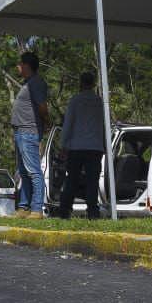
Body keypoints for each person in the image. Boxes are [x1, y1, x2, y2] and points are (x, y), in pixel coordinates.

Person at [56, 71, 107, 219]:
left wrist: (63, 145)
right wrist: (104, 144)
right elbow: (103, 125)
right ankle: (92, 211)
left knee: (72, 179)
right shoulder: (99, 102)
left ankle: (65, 210)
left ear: (81, 83)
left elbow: (68, 124)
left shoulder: (75, 100)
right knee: (92, 181)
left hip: (76, 147)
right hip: (94, 147)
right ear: (93, 83)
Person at [9, 51, 50, 217]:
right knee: (23, 172)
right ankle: (24, 207)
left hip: (29, 132)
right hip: (20, 132)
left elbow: (42, 106)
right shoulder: (28, 83)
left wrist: (47, 122)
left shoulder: (36, 83)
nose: (17, 66)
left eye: (20, 64)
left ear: (26, 66)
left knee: (33, 171)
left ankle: (36, 208)